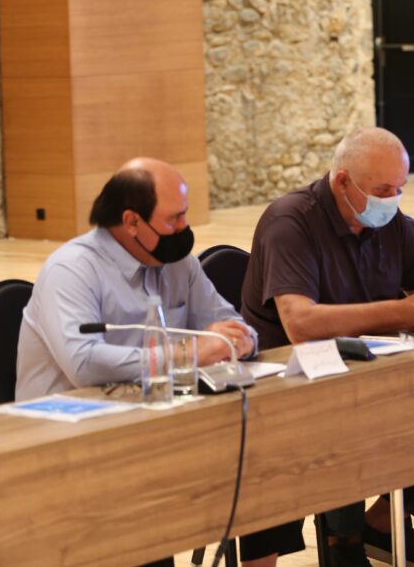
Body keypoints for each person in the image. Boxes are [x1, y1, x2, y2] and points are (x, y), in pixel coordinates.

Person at [238, 128, 414, 567]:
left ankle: (379, 526)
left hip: (369, 368)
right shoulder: (290, 222)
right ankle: (341, 544)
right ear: (343, 181)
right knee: (344, 420)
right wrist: (403, 312)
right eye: (382, 190)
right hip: (290, 384)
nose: (393, 200)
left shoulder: (387, 221)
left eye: (400, 189)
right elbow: (301, 324)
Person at [15, 157, 257, 567]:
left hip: (151, 430)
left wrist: (240, 338)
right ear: (131, 222)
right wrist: (191, 352)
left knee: (259, 464)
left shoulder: (180, 264)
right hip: (66, 447)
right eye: (174, 219)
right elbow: (84, 364)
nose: (185, 228)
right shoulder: (71, 270)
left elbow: (228, 323)